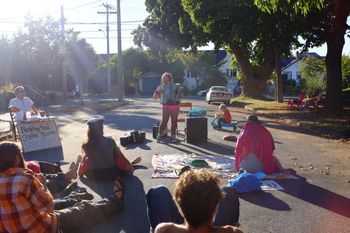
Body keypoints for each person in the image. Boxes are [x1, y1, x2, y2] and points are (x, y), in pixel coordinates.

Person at [0, 141, 125, 233]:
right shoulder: (25, 179)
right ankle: (115, 201)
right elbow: (49, 207)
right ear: (17, 159)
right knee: (82, 211)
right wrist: (42, 184)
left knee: (66, 203)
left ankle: (71, 190)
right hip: (43, 228)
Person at [146, 169, 242, 233]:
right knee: (228, 191)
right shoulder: (232, 232)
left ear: (180, 206)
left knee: (158, 192)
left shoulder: (164, 230)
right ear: (216, 207)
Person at [78, 115, 142, 181]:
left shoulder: (86, 145)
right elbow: (120, 158)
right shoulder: (110, 141)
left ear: (89, 130)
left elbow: (81, 172)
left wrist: (79, 162)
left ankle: (131, 163)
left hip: (95, 176)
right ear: (101, 128)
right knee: (117, 153)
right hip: (112, 174)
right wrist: (130, 165)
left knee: (88, 158)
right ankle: (131, 163)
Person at [153, 72, 183, 142]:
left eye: (166, 78)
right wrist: (157, 92)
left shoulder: (176, 86)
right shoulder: (160, 87)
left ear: (170, 79)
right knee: (164, 121)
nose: (164, 80)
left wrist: (178, 100)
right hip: (165, 106)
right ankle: (159, 135)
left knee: (174, 121)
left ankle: (173, 136)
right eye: (163, 78)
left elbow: (181, 95)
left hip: (175, 106)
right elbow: (154, 97)